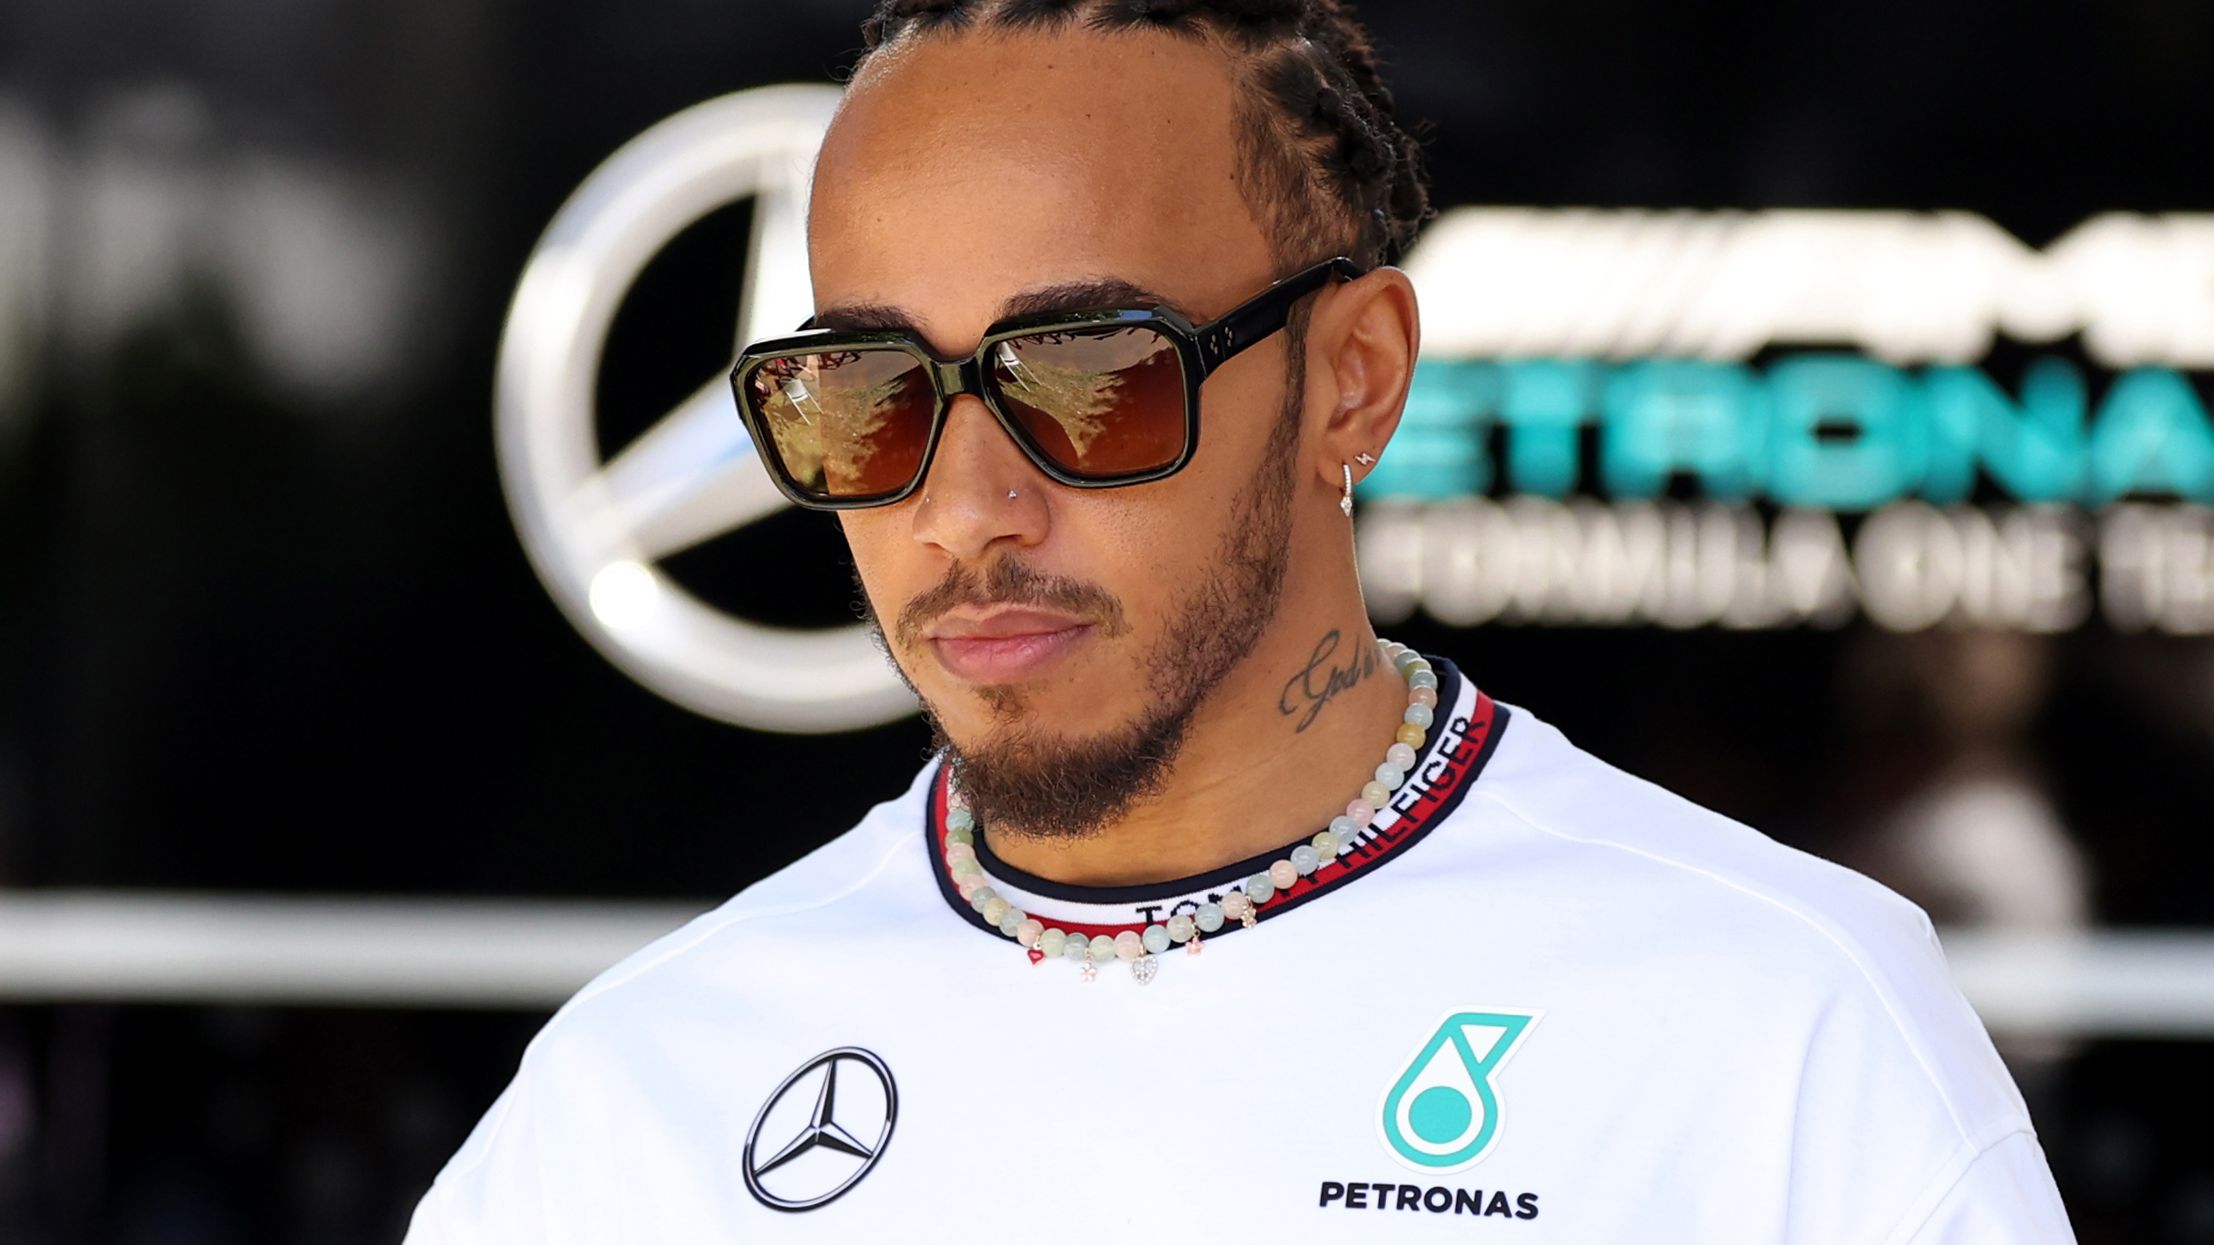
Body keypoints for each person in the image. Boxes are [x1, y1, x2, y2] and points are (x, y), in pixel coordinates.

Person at [408, 1, 2075, 1239]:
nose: (965, 504)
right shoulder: (638, 1094)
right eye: (865, 389)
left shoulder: (1777, 1023)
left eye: (1088, 375)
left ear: (1352, 377)